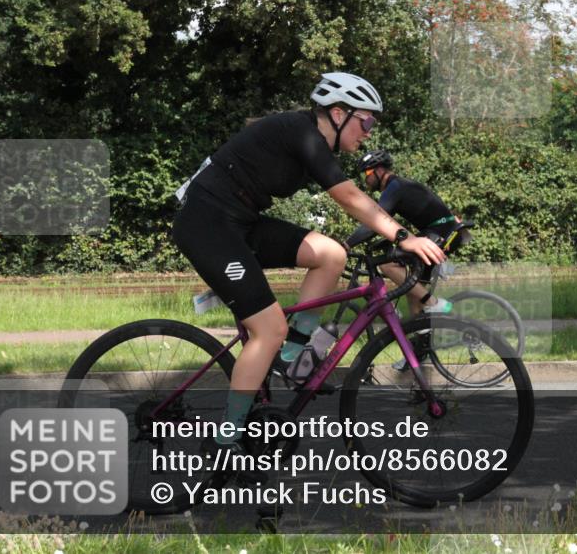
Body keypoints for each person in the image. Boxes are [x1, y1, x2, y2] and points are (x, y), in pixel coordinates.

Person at [172, 72, 444, 446]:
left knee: (332, 254)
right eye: (366, 121)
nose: (369, 131)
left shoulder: (312, 139)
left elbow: (355, 204)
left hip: (241, 220)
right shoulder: (303, 133)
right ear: (338, 113)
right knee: (268, 328)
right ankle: (226, 441)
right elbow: (349, 196)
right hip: (208, 223)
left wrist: (387, 236)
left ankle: (290, 356)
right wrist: (403, 237)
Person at [344, 149, 459, 317]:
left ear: (380, 171)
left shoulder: (394, 188)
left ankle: (434, 303)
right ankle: (420, 339)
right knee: (414, 294)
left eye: (366, 173)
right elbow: (386, 225)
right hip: (441, 231)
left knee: (387, 265)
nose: (365, 180)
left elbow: (374, 222)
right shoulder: (399, 185)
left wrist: (347, 244)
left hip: (438, 232)